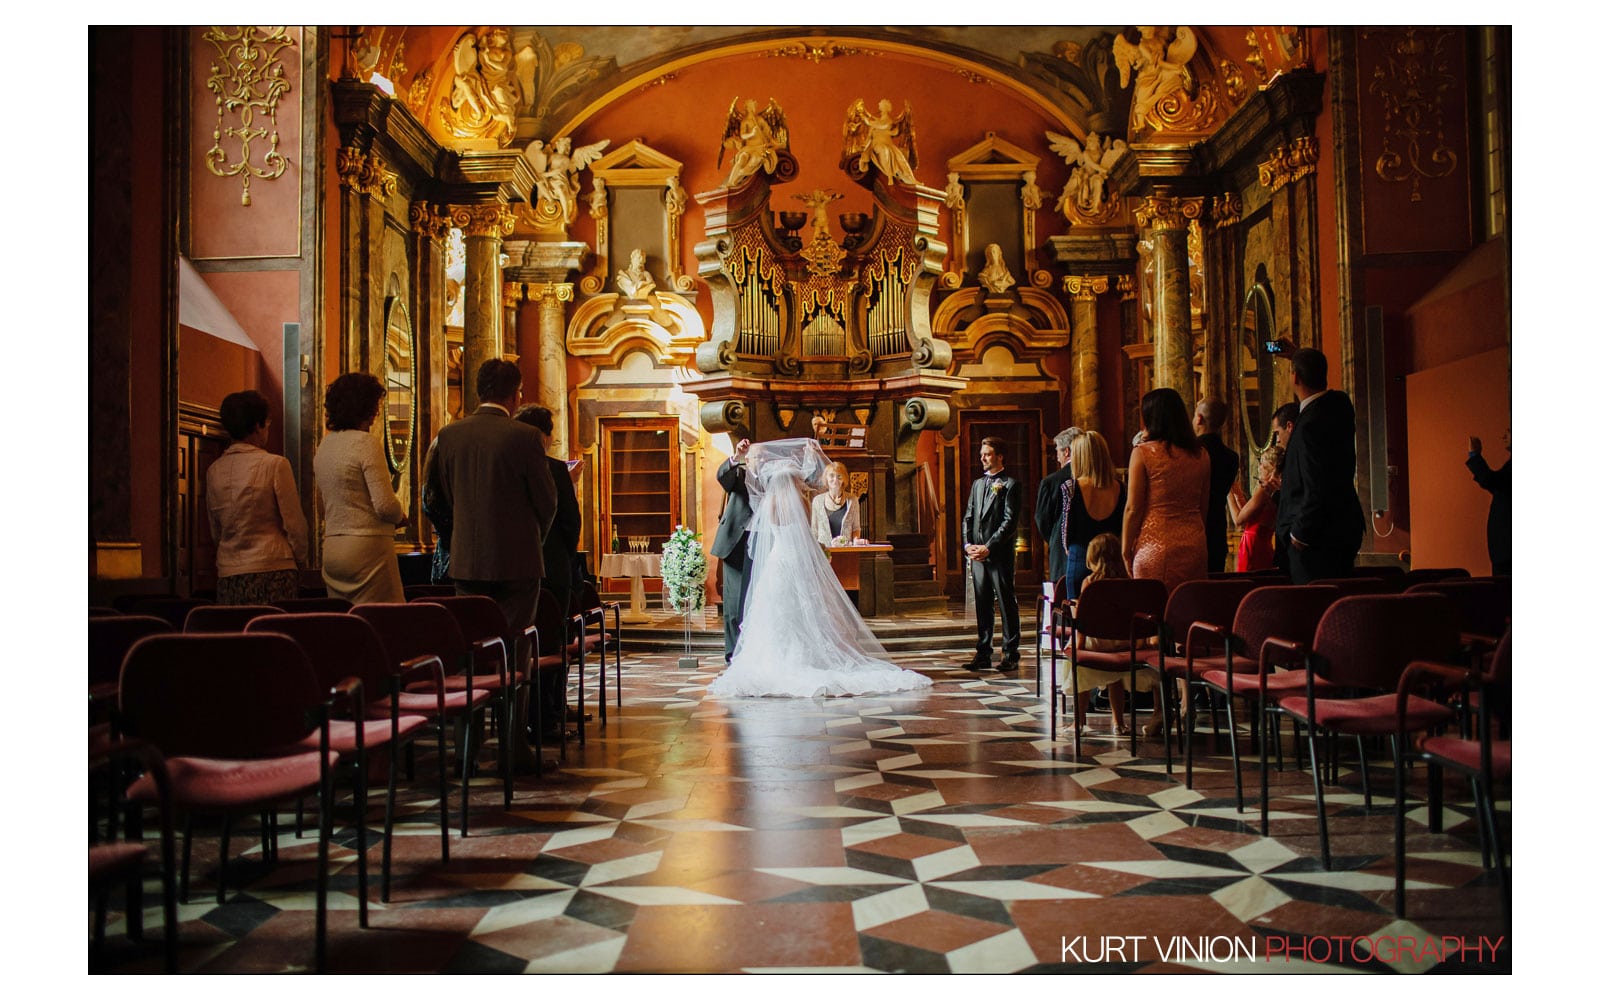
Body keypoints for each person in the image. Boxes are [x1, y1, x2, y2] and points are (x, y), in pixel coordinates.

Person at [708, 439, 931, 698]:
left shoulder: (767, 504)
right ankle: (801, 657)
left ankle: (766, 659)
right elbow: (806, 534)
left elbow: (768, 532)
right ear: (792, 481)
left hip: (776, 561)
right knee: (794, 610)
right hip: (783, 557)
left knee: (771, 611)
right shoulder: (797, 501)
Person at [424, 359, 557, 743]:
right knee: (516, 654)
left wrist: (464, 532)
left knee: (472, 654)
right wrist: (532, 539)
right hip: (518, 564)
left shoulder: (449, 436)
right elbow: (547, 503)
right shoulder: (525, 437)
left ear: (478, 390)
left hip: (466, 562)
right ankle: (512, 748)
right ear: (515, 394)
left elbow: (440, 496)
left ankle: (471, 743)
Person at [1123, 388, 1210, 737]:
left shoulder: (1143, 453)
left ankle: (1161, 712)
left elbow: (1133, 508)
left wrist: (1127, 548)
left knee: (1157, 631)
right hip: (1193, 541)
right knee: (1187, 626)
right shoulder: (1201, 454)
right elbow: (1203, 506)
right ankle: (1189, 704)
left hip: (1154, 545)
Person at [206, 389, 309, 604]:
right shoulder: (275, 464)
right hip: (274, 568)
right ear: (257, 426)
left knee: (237, 635)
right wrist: (300, 559)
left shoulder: (214, 470)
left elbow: (215, 529)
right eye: (267, 425)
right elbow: (294, 524)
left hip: (229, 573)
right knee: (272, 633)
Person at [515, 404, 582, 736]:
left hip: (519, 567)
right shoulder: (555, 470)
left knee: (526, 643)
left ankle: (533, 713)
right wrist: (564, 556)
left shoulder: (506, 467)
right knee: (555, 640)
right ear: (544, 435)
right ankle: (549, 713)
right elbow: (570, 520)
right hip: (553, 568)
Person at [314, 373, 407, 604]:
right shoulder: (366, 444)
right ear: (366, 407)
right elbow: (385, 505)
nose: (376, 412)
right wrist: (401, 516)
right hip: (367, 549)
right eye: (375, 405)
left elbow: (320, 506)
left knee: (347, 627)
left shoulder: (324, 446)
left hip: (333, 547)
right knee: (382, 623)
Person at [1276, 348, 1366, 584]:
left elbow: (1317, 485)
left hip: (1314, 540)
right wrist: (1297, 355)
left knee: (1313, 608)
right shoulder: (1340, 406)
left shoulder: (1308, 425)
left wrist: (1300, 535)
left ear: (1294, 377)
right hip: (1342, 528)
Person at [1063, 533, 1152, 735]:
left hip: (1096, 641)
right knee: (1116, 679)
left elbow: (1085, 619)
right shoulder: (1129, 582)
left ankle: (1079, 722)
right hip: (1122, 642)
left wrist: (1078, 643)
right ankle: (1118, 722)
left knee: (1082, 676)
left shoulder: (1090, 582)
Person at [962, 436, 1022, 672]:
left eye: (987, 454)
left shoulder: (1010, 485)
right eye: (981, 454)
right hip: (977, 555)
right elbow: (968, 516)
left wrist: (989, 547)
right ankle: (983, 652)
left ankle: (1010, 653)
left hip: (998, 555)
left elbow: (1009, 522)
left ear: (1000, 456)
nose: (982, 458)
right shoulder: (977, 484)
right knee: (983, 604)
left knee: (1006, 603)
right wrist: (968, 546)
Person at [1061, 430, 1128, 599]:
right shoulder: (1119, 487)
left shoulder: (1071, 487)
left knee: (1079, 615)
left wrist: (1067, 548)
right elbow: (1122, 526)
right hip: (1112, 560)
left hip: (1080, 557)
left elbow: (1066, 530)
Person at [710, 437, 755, 663]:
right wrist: (736, 458)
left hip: (761, 540)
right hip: (735, 542)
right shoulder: (739, 473)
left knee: (757, 599)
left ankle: (753, 650)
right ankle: (732, 652)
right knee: (734, 601)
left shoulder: (771, 480)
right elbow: (722, 477)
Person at [1194, 397, 1240, 572]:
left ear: (1199, 418)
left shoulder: (1190, 453)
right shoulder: (1231, 457)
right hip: (1218, 531)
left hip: (1192, 530)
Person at [1035, 427, 1082, 585]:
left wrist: (1057, 537)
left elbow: (1042, 520)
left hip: (1061, 553)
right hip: (1092, 555)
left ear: (1066, 451)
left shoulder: (1050, 482)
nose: (1057, 457)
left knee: (1062, 600)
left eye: (1058, 451)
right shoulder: (1096, 479)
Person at [1229, 445, 1283, 571]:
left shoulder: (1264, 490)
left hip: (1252, 546)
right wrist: (1238, 494)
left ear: (1271, 468)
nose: (1259, 468)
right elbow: (1250, 516)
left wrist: (1228, 494)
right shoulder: (1276, 490)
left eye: (1262, 465)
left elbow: (1238, 520)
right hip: (1264, 545)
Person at [1467, 429, 1510, 576]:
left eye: (1509, 432)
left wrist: (1475, 455)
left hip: (1507, 549)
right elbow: (1498, 487)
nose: (1504, 436)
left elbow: (1493, 481)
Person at [811, 460, 861, 545]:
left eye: (839, 476)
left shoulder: (853, 500)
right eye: (831, 476)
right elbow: (814, 531)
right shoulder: (817, 501)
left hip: (845, 551)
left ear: (844, 479)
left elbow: (856, 528)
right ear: (826, 478)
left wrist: (856, 540)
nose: (835, 479)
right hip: (824, 552)